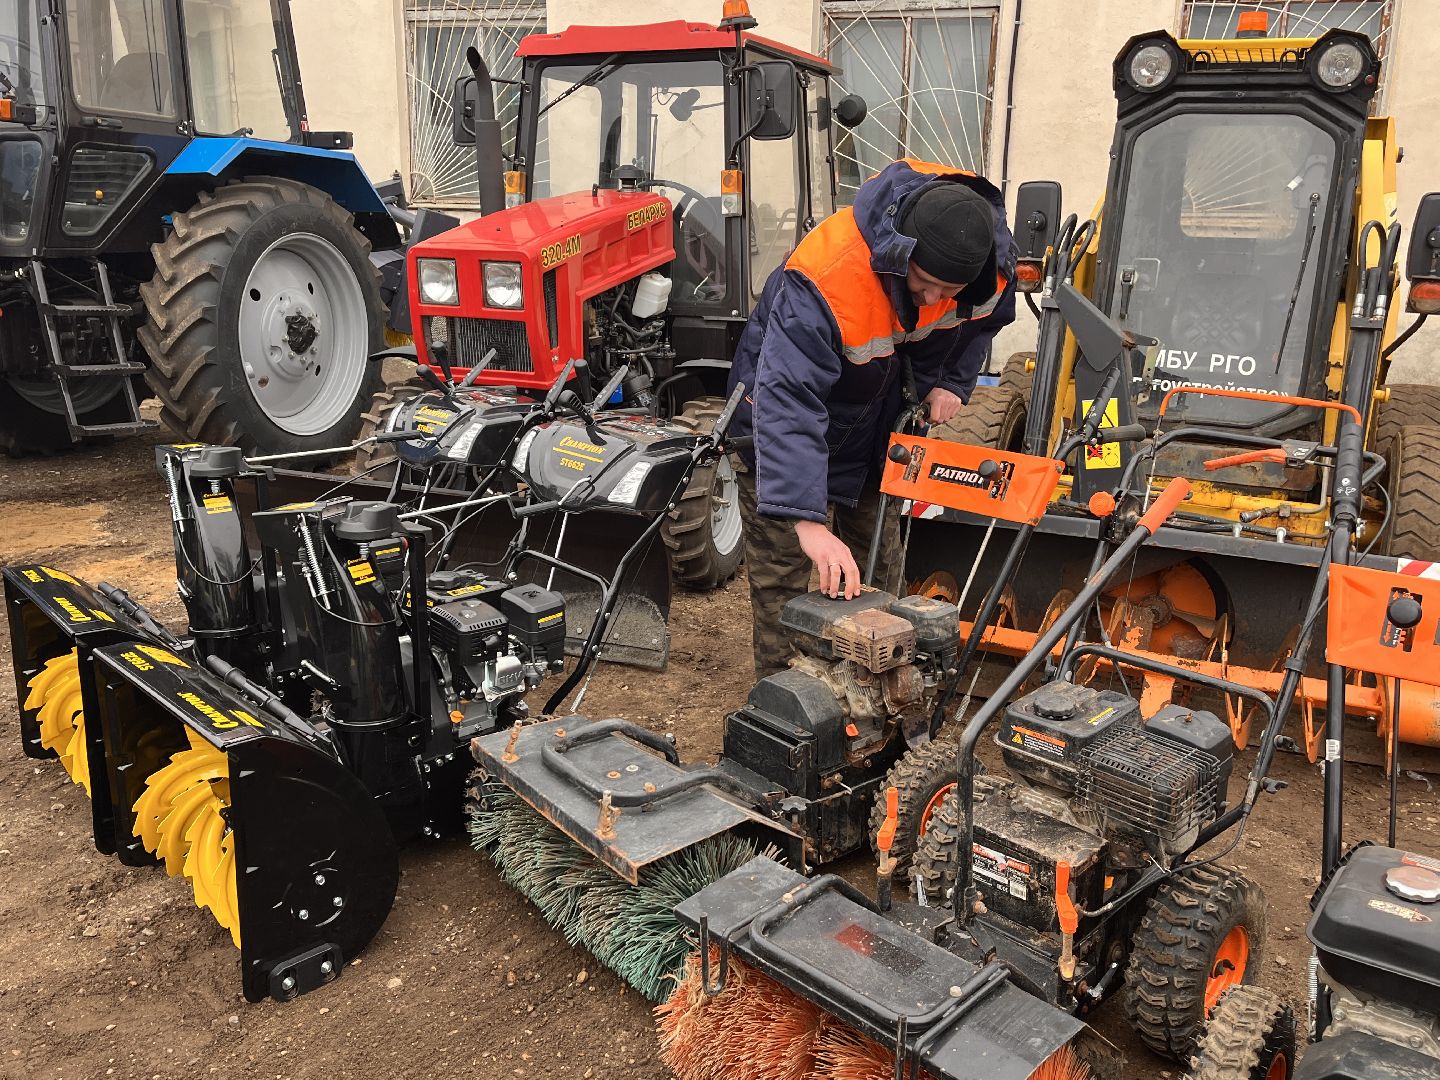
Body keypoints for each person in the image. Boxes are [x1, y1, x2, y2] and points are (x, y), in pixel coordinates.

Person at [726, 158, 1017, 678]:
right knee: (783, 583)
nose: (934, 301)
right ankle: (780, 707)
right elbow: (789, 398)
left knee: (877, 575)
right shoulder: (824, 277)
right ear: (898, 253)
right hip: (776, 430)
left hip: (873, 432)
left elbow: (979, 326)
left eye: (949, 293)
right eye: (925, 284)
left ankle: (876, 698)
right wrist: (807, 520)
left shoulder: (987, 269)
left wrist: (950, 382)